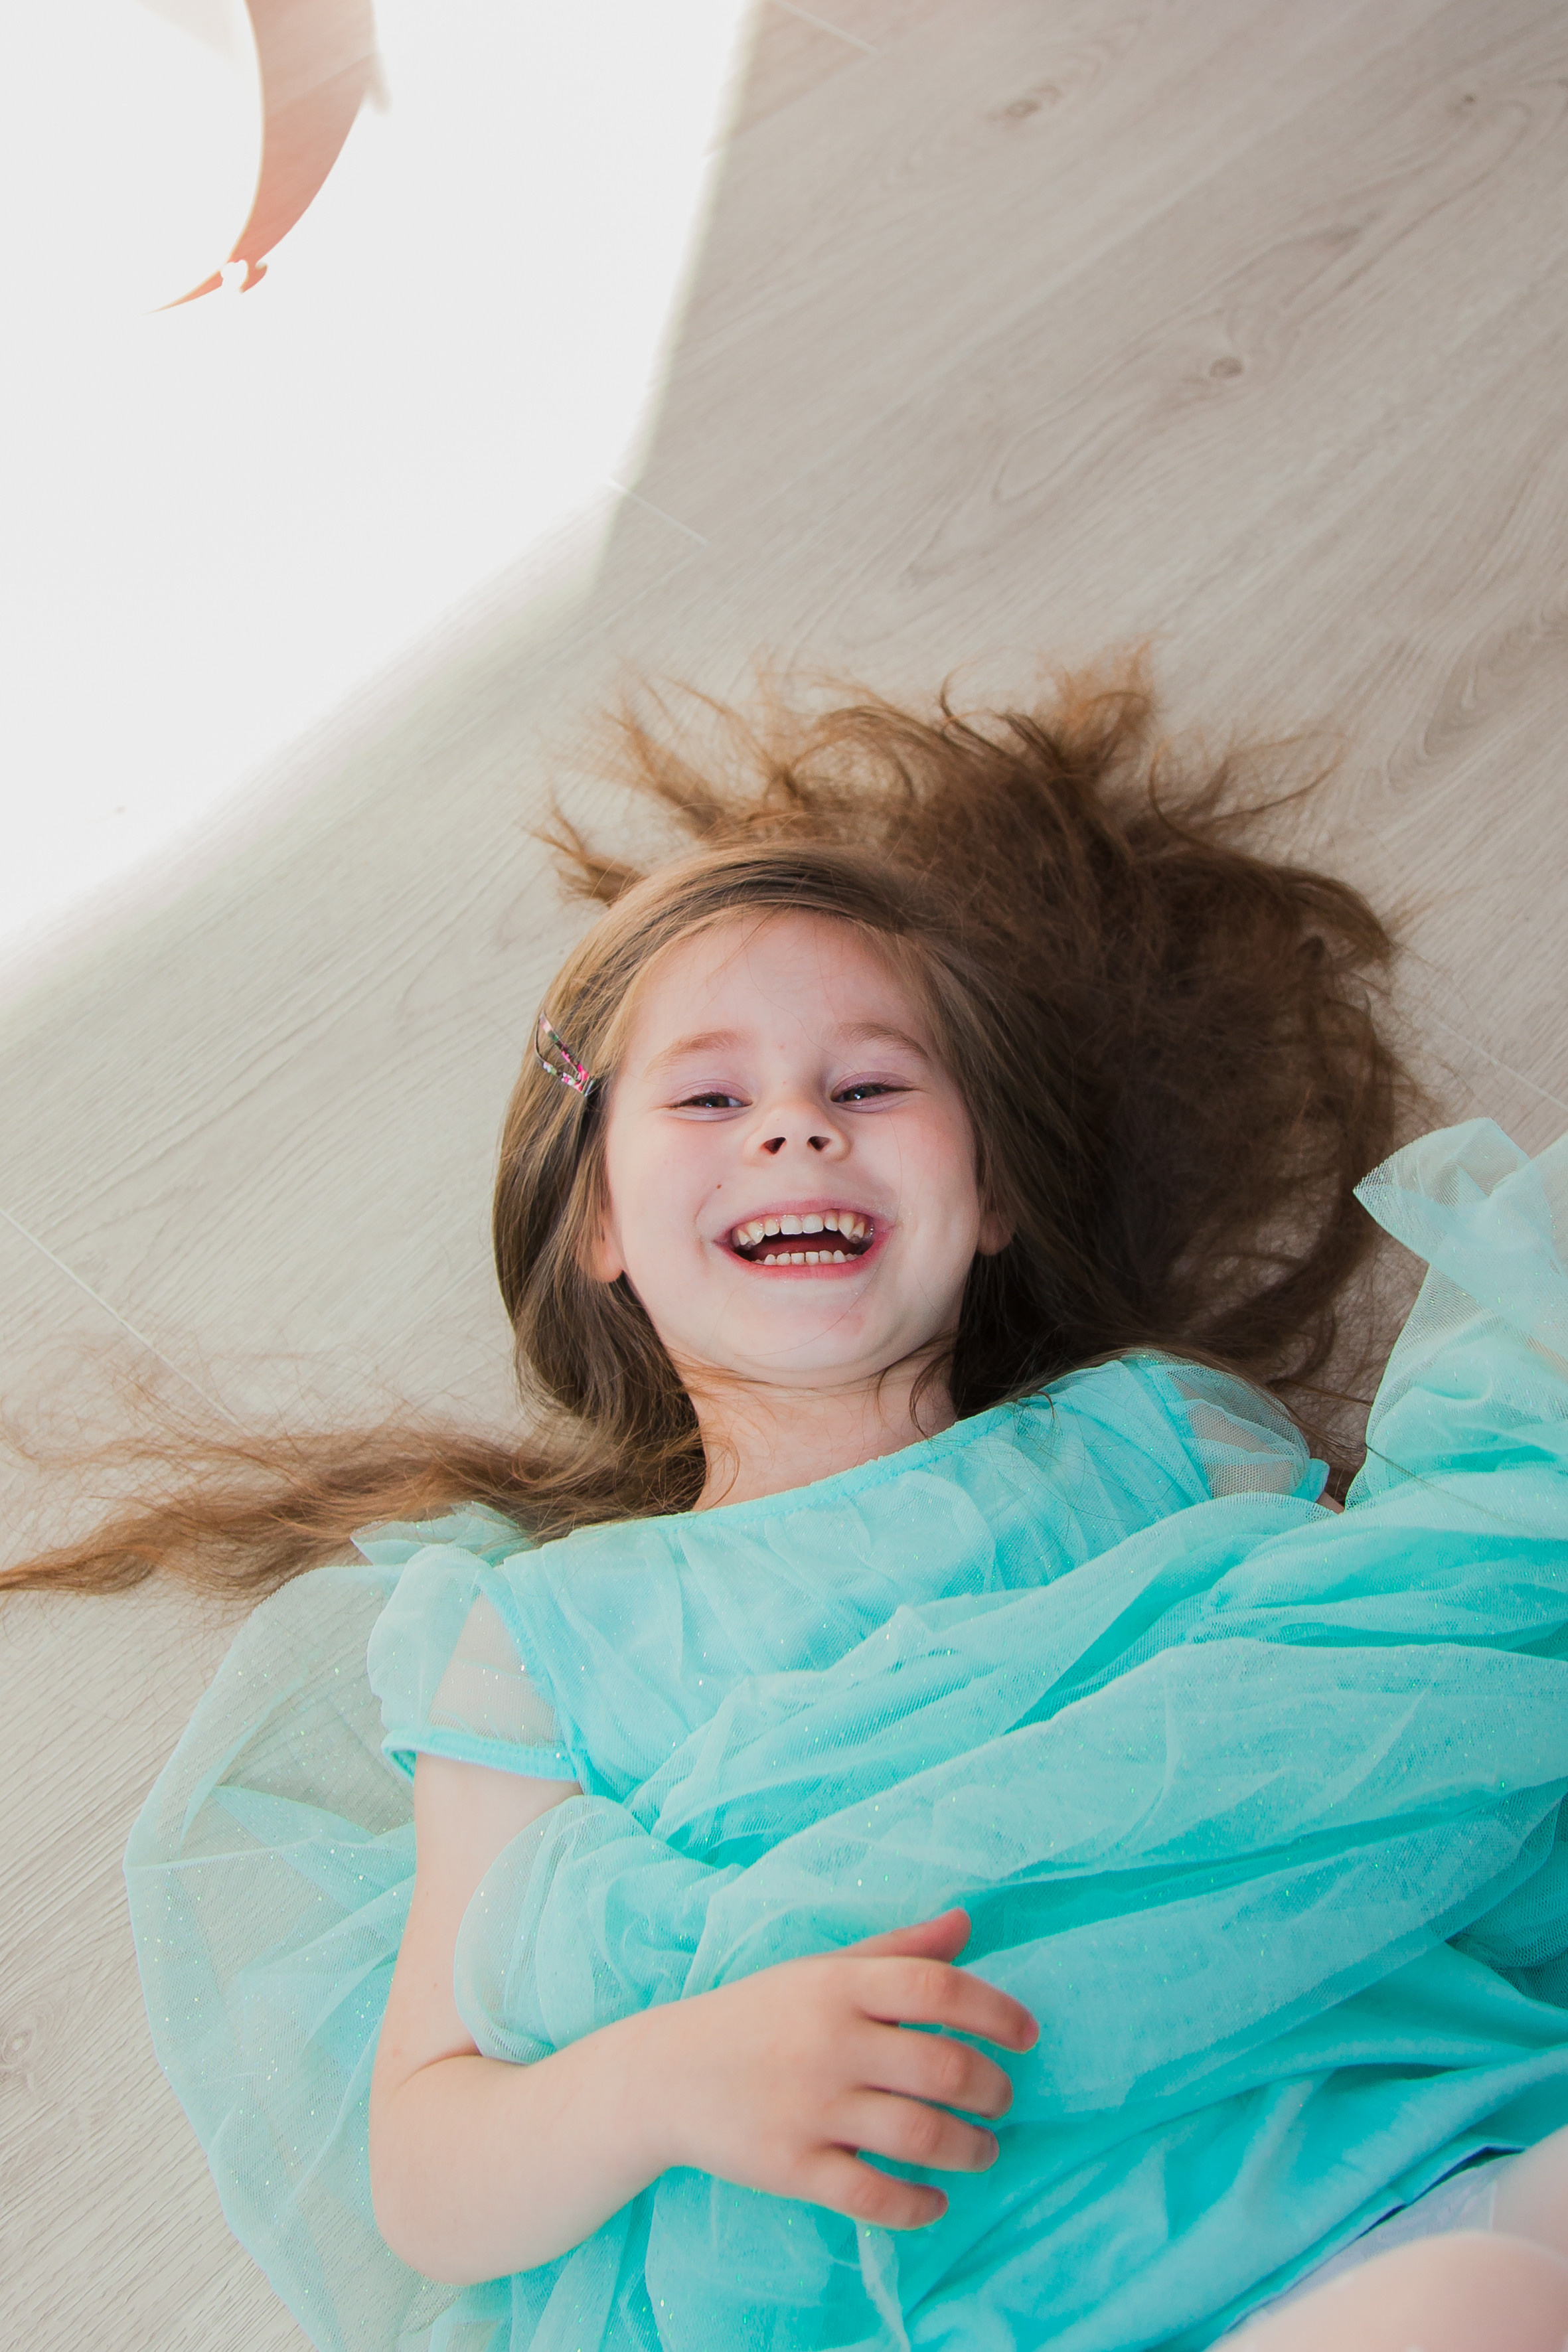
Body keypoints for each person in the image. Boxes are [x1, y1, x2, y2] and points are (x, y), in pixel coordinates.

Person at [11, 668, 1568, 2351]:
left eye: (872, 1085)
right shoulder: (542, 1634)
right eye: (706, 1098)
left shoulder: (1166, 1435)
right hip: (1038, 2281)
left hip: (1413, 2117)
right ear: (597, 1225)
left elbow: (1397, 1728)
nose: (794, 1121)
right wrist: (668, 2080)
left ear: (991, 1200)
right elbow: (428, 2161)